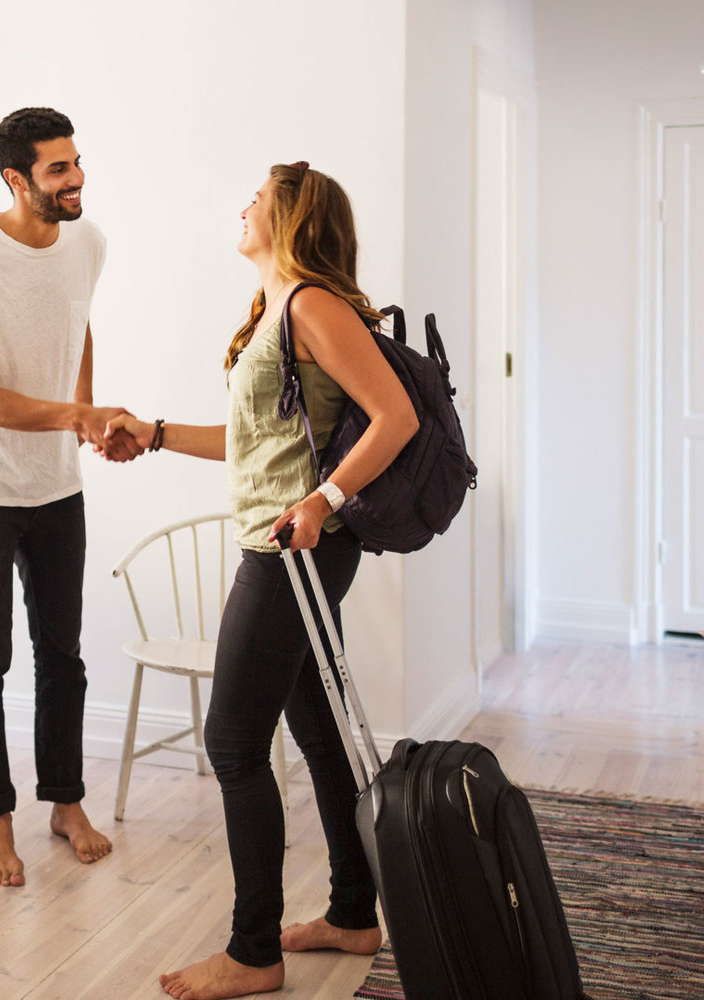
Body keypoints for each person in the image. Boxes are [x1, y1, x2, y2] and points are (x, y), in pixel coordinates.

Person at [103, 162, 418, 1000]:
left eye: (257, 198)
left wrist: (321, 501)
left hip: (293, 550)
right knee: (316, 732)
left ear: (291, 217)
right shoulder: (277, 309)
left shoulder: (313, 304)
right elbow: (254, 443)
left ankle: (253, 952)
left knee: (234, 743)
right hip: (289, 545)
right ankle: (352, 914)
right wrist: (155, 433)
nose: (242, 207)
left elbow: (397, 416)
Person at [0, 106, 134, 888]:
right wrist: (77, 416)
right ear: (17, 179)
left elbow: (77, 326)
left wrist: (82, 411)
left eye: (76, 161)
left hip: (56, 489)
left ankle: (65, 804)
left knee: (63, 658)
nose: (76, 177)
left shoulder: (88, 242)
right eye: (58, 169)